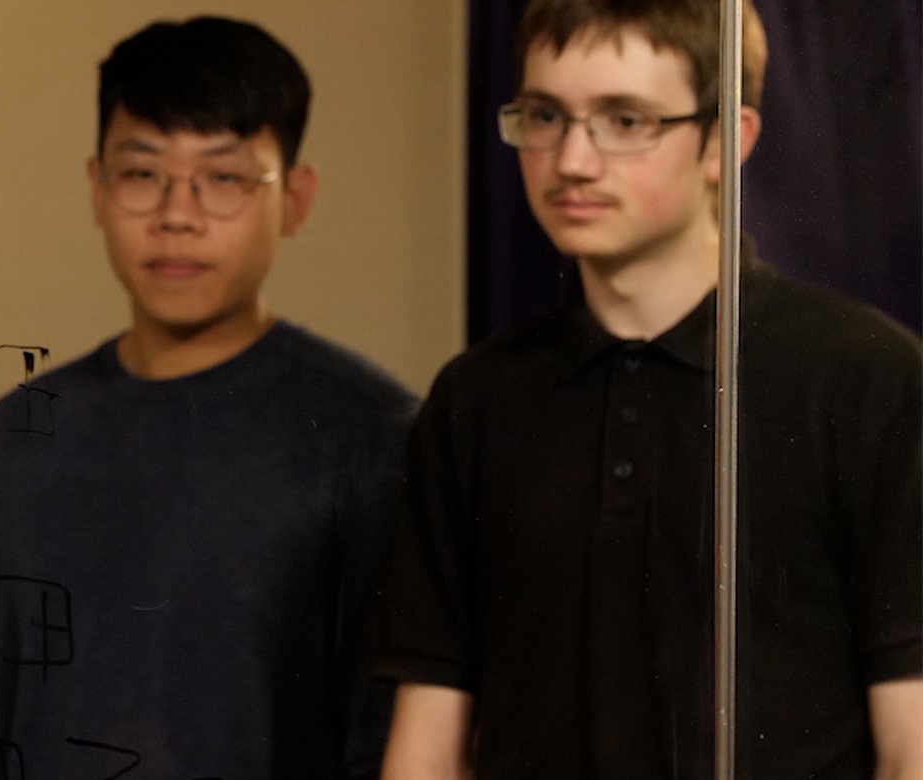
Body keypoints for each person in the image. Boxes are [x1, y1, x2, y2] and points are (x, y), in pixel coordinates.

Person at [371, 1, 923, 777]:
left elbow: (914, 743)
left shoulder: (871, 379)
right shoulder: (474, 401)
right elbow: (427, 745)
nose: (572, 161)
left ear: (726, 141)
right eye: (544, 115)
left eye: (624, 120)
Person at [0, 16, 415, 780]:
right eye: (143, 172)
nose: (177, 215)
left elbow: (388, 741)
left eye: (224, 178)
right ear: (97, 187)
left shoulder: (373, 436)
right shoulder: (19, 437)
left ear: (294, 197)